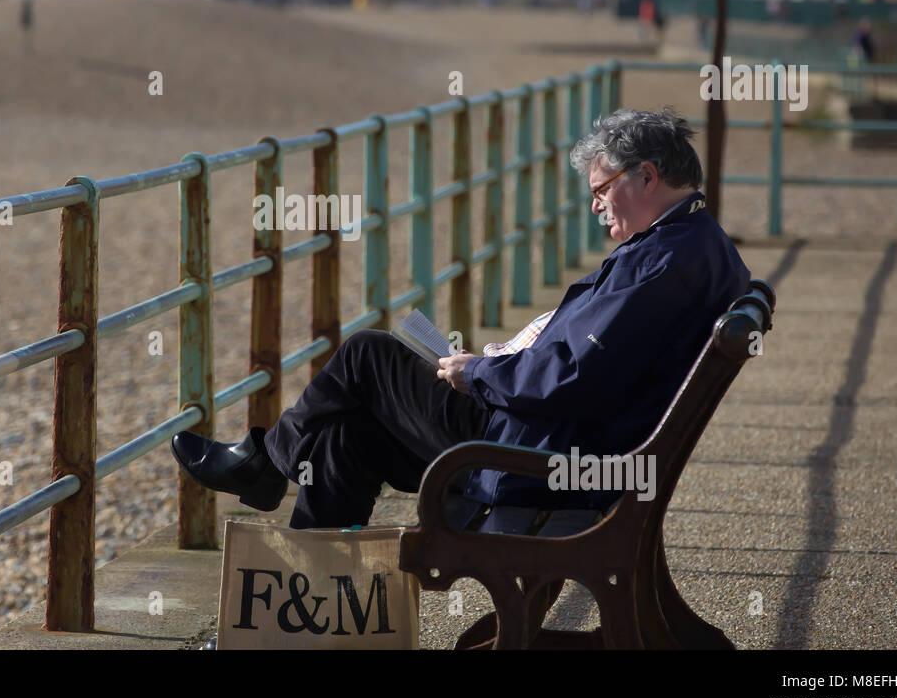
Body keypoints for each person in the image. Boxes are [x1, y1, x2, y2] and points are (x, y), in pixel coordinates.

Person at [172, 108, 752, 530]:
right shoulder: (692, 246)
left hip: (539, 455)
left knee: (367, 355)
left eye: (601, 189)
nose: (595, 204)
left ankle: (265, 467)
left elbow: (575, 380)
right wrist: (509, 358)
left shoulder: (660, 265)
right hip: (558, 441)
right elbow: (588, 365)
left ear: (646, 177)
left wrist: (478, 372)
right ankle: (305, 614)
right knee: (345, 440)